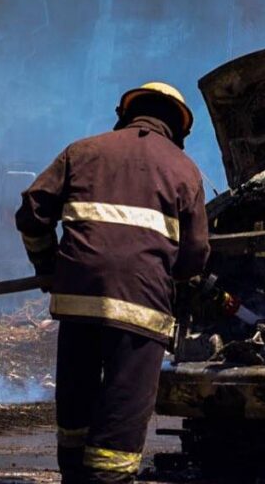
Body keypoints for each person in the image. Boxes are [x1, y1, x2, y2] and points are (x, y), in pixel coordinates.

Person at [15, 82, 210, 484]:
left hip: (78, 302)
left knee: (76, 411)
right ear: (179, 128)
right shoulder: (184, 171)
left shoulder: (82, 151)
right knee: (121, 416)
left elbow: (33, 213)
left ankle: (73, 475)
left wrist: (47, 264)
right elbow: (194, 256)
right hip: (141, 310)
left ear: (126, 113)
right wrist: (170, 278)